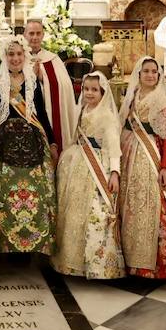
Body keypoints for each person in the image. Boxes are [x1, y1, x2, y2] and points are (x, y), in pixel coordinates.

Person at [0, 37, 57, 255]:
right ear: (5, 57)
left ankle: (32, 243)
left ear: (25, 56)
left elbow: (41, 113)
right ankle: (8, 245)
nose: (15, 58)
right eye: (11, 54)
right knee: (4, 195)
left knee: (36, 192)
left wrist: (51, 141)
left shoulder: (33, 82)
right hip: (4, 144)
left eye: (19, 54)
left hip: (33, 140)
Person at [52, 72, 125, 279]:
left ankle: (97, 264)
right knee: (74, 211)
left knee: (95, 212)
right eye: (86, 89)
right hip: (78, 164)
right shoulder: (82, 110)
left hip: (97, 168)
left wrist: (114, 172)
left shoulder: (107, 116)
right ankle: (71, 261)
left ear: (103, 92)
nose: (89, 93)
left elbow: (113, 147)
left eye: (94, 90)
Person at [119, 57, 166, 279]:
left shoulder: (161, 99)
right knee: (130, 206)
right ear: (139, 73)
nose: (151, 75)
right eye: (146, 71)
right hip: (130, 154)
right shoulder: (132, 96)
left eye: (155, 72)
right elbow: (124, 124)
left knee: (151, 205)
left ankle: (153, 266)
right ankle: (131, 262)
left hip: (150, 155)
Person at [24, 19, 76, 154]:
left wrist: (43, 77)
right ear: (25, 35)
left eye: (38, 33)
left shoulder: (52, 59)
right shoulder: (18, 57)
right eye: (31, 33)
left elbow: (64, 86)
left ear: (42, 35)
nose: (34, 37)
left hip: (49, 114)